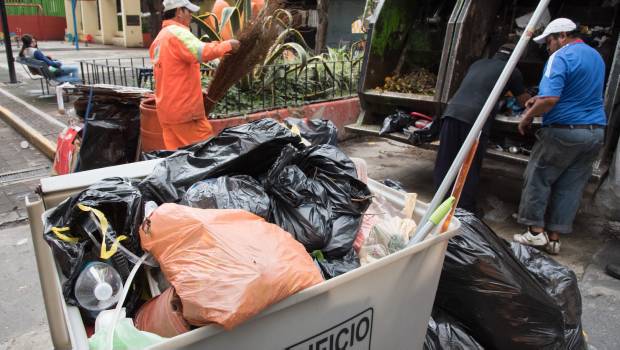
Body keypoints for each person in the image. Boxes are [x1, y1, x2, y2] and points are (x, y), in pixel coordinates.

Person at [514, 18, 606, 255]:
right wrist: (540, 101)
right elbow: (576, 91)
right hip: (594, 132)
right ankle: (554, 239)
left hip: (564, 131)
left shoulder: (561, 56)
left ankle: (535, 233)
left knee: (538, 178)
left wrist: (527, 117)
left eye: (548, 41)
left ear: (562, 36)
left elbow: (551, 100)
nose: (547, 47)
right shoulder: (595, 56)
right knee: (570, 186)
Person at [433, 44, 530, 215]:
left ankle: (437, 205)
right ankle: (464, 210)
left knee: (445, 161)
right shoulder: (512, 71)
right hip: (475, 120)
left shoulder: (477, 64)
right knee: (469, 165)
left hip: (452, 112)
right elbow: (524, 102)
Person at [151, 0, 240, 150]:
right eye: (189, 11)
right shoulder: (177, 33)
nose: (191, 16)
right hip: (185, 114)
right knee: (205, 155)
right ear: (179, 11)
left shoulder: (160, 38)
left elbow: (172, 73)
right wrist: (228, 45)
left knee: (178, 159)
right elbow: (202, 52)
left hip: (167, 113)